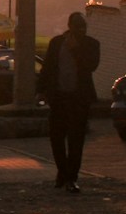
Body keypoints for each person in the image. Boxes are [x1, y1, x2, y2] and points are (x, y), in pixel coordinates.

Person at [38, 10, 101, 193]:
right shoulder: (56, 43)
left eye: (83, 26)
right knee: (56, 138)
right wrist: (41, 91)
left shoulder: (91, 44)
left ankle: (72, 177)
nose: (81, 30)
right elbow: (48, 68)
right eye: (78, 26)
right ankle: (62, 172)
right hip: (58, 98)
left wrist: (75, 50)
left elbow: (91, 66)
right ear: (70, 26)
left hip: (79, 99)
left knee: (76, 140)